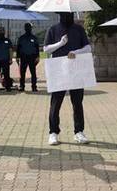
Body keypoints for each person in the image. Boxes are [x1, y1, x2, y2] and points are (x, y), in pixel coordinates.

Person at [43, 12, 92, 145]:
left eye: (69, 14)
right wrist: (60, 43)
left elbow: (88, 47)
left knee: (77, 102)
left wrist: (76, 52)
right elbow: (46, 49)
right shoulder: (53, 29)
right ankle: (53, 132)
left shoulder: (79, 29)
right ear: (59, 15)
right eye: (64, 14)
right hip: (58, 69)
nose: (67, 16)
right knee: (55, 102)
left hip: (76, 69)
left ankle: (79, 131)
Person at [16, 23, 40, 92]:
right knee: (22, 73)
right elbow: (18, 48)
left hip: (32, 57)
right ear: (25, 28)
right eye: (27, 27)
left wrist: (38, 57)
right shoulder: (21, 38)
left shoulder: (34, 38)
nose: (28, 28)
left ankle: (34, 87)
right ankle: (22, 86)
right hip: (23, 57)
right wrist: (17, 57)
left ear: (31, 28)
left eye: (29, 27)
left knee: (33, 73)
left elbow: (37, 47)